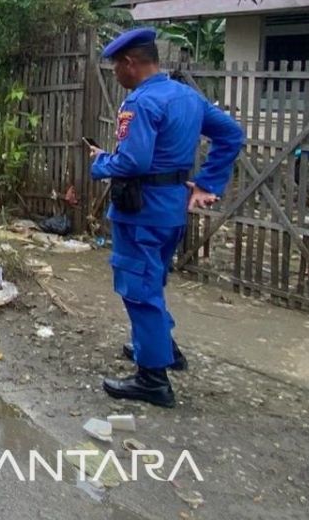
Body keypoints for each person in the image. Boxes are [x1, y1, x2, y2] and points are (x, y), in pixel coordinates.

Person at [89, 27, 243, 407]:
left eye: (115, 68)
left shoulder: (140, 103)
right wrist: (207, 182)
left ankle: (152, 379)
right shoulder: (187, 96)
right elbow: (232, 135)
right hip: (171, 209)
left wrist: (99, 163)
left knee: (138, 289)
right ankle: (163, 348)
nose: (115, 75)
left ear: (130, 63)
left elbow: (133, 161)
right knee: (152, 280)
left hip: (140, 211)